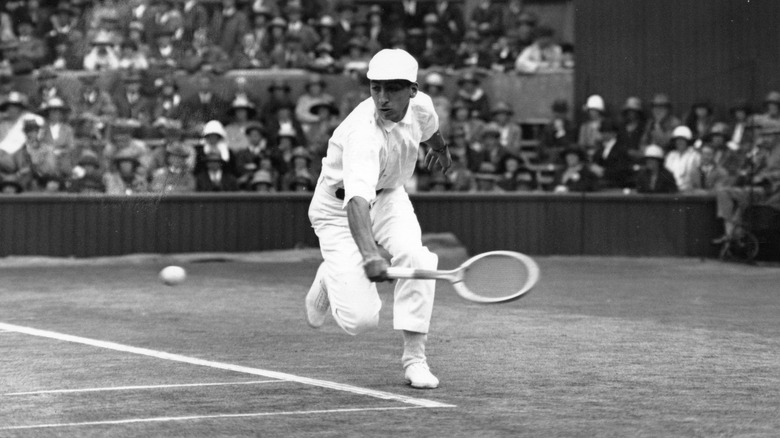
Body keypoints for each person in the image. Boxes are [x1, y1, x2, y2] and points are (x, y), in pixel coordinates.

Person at [305, 49, 451, 389]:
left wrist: (441, 150)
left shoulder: (423, 107)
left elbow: (430, 131)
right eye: (376, 88)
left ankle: (415, 359)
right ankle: (329, 276)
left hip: (389, 197)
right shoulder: (362, 134)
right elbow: (356, 201)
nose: (382, 99)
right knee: (361, 321)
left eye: (393, 89)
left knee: (417, 258)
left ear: (413, 90)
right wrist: (370, 254)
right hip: (338, 210)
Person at [664, 125, 701, 192]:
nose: (679, 142)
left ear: (687, 141)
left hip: (688, 192)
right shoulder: (671, 155)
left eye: (682, 140)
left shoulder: (695, 155)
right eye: (677, 140)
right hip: (671, 191)